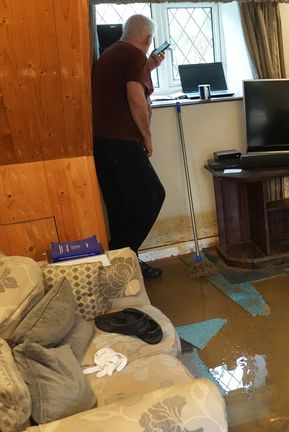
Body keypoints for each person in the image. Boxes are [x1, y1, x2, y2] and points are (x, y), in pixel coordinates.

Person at [92, 14, 166, 278]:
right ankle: (122, 256)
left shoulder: (111, 53)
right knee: (153, 195)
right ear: (148, 38)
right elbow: (135, 99)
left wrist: (149, 67)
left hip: (101, 143)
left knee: (121, 204)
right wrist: (147, 137)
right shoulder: (135, 57)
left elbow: (122, 84)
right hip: (123, 142)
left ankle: (124, 262)